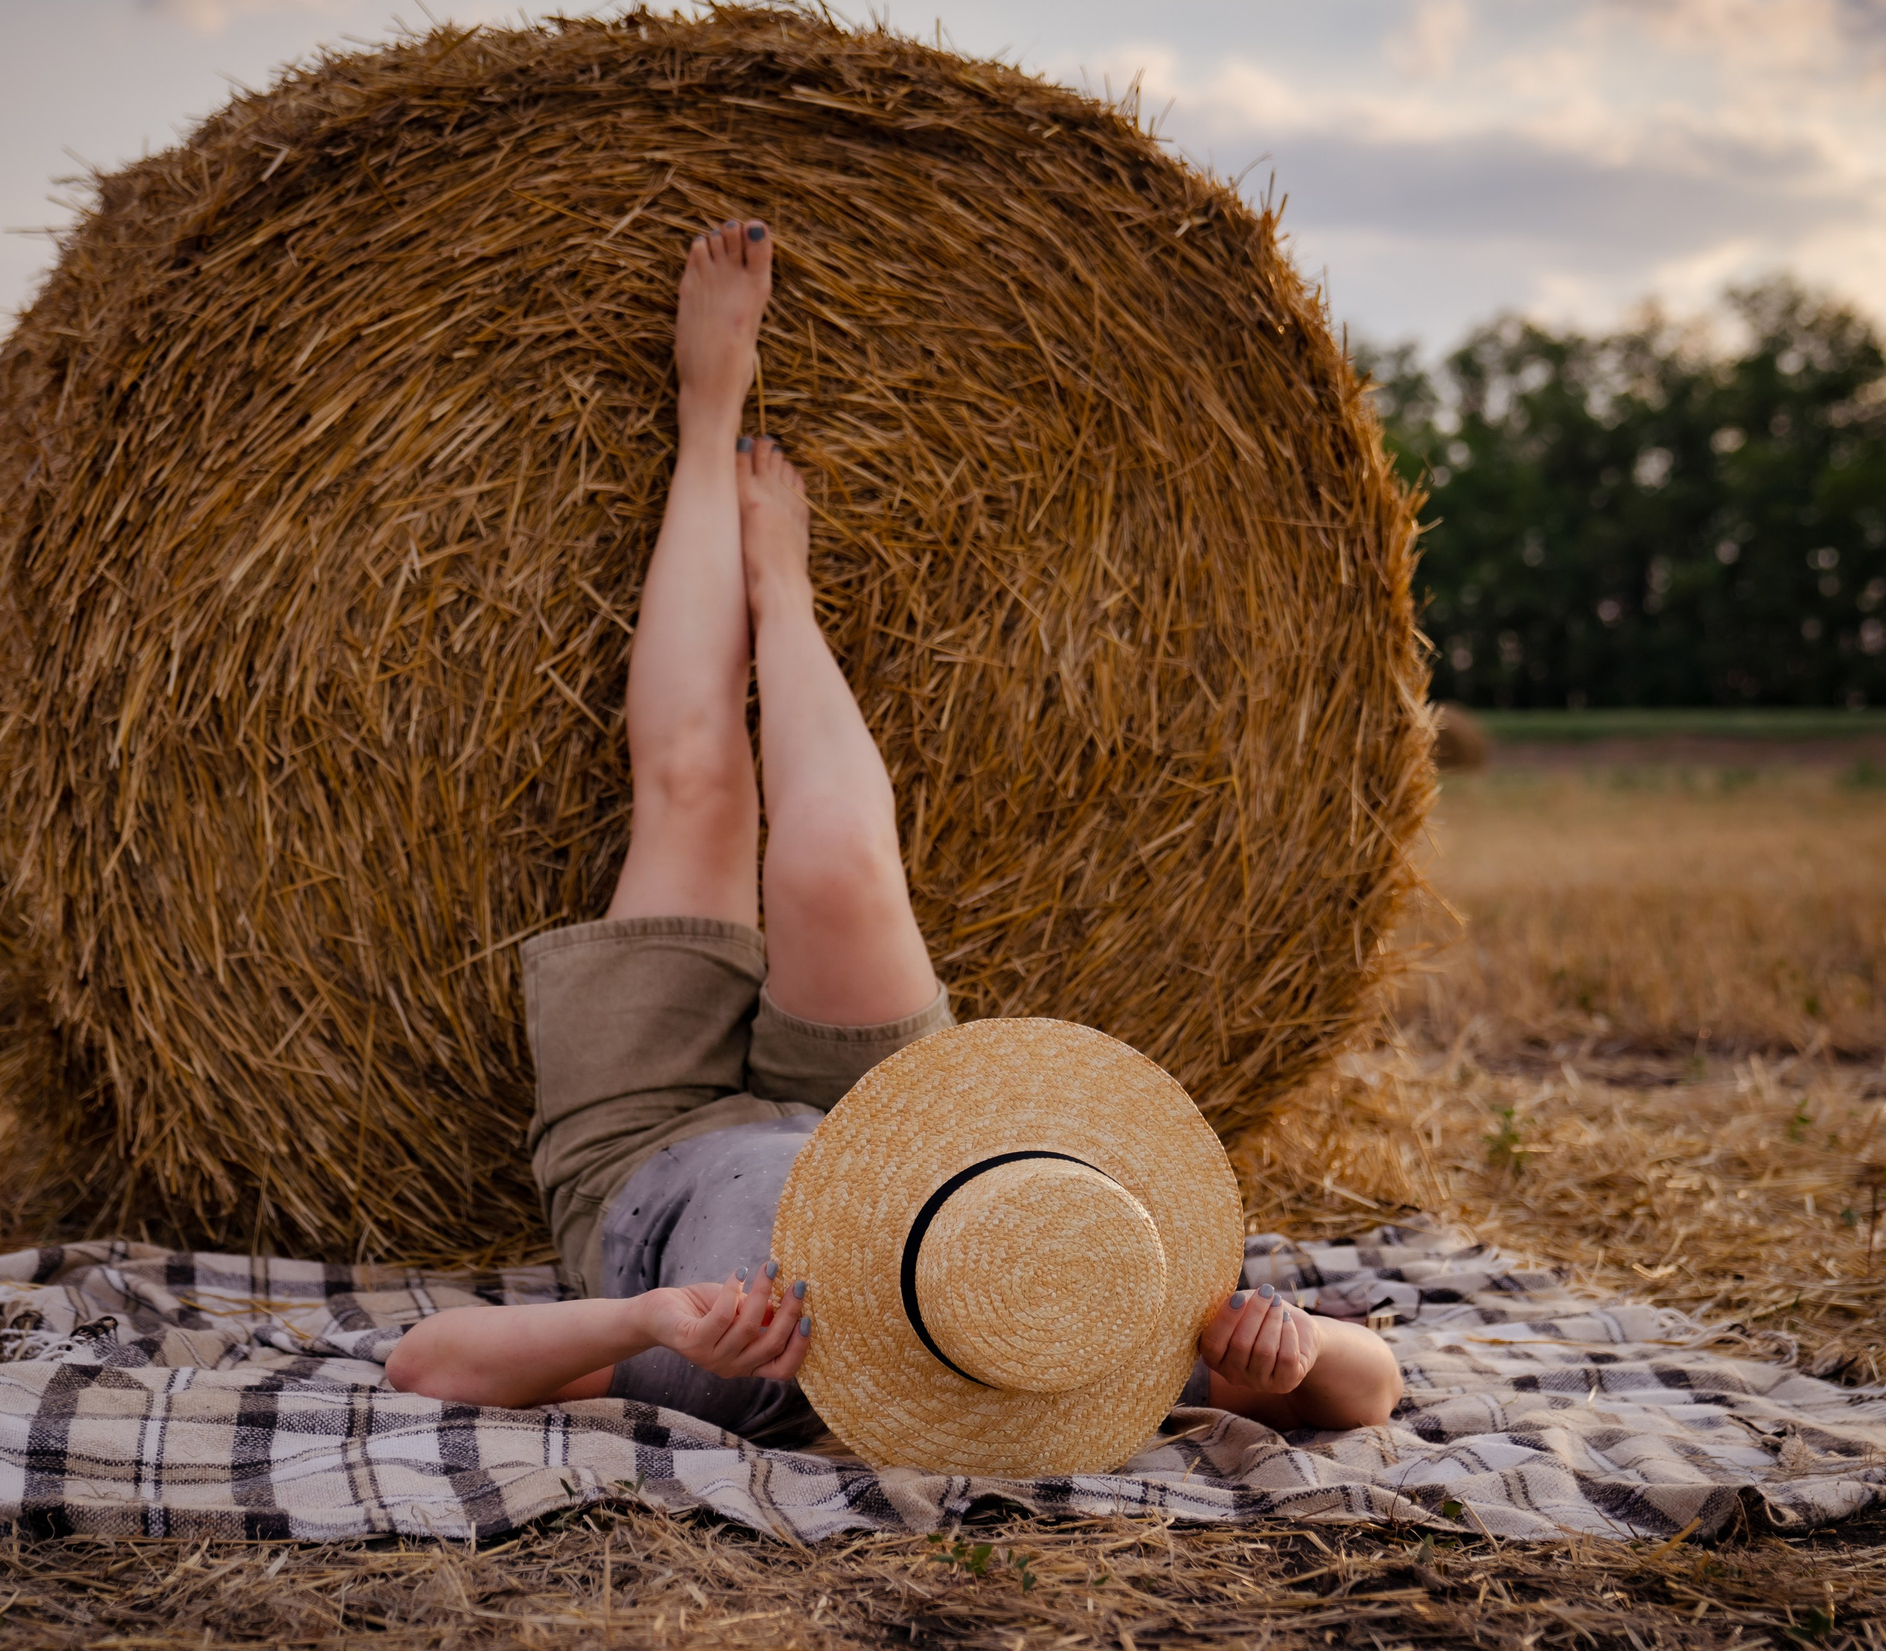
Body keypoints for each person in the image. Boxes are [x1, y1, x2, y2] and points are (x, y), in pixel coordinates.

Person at [382, 218, 1401, 1446]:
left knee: (697, 787)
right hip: (901, 1134)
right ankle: (782, 596)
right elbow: (1370, 1388)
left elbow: (426, 1368)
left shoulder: (745, 1365)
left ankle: (706, 424)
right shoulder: (1078, 1305)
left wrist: (641, 1319)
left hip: (651, 1140)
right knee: (839, 861)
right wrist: (1298, 1351)